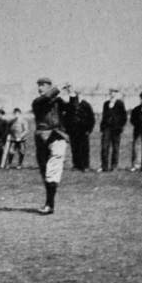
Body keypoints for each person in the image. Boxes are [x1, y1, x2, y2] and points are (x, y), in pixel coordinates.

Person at [32, 78, 69, 214]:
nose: (40, 88)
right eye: (39, 86)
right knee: (44, 171)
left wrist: (72, 94)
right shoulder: (37, 102)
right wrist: (60, 87)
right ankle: (49, 203)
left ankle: (49, 205)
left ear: (49, 87)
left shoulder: (59, 102)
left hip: (57, 136)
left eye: (43, 85)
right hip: (41, 137)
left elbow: (73, 109)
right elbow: (47, 98)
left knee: (52, 170)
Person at [63, 91, 96, 171]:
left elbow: (91, 118)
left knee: (84, 149)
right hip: (73, 131)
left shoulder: (86, 105)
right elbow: (66, 118)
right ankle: (76, 165)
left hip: (83, 131)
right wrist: (67, 129)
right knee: (75, 148)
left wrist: (89, 129)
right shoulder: (70, 106)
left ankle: (85, 165)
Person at [100, 90, 128, 172]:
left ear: (116, 93)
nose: (112, 93)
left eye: (114, 92)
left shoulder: (120, 104)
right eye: (111, 92)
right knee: (104, 147)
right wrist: (103, 127)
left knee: (115, 148)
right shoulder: (106, 104)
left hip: (116, 129)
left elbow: (124, 117)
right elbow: (104, 116)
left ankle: (114, 166)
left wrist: (119, 126)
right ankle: (104, 166)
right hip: (107, 129)